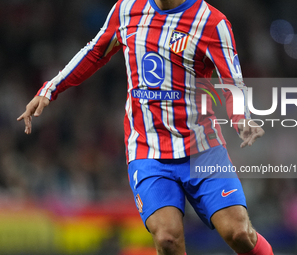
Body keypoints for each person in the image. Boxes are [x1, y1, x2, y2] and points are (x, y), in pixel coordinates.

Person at [18, 0, 273, 254]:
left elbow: (233, 79)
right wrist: (50, 88)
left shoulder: (212, 21)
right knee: (167, 239)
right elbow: (94, 51)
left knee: (239, 233)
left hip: (202, 148)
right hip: (148, 149)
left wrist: (241, 117)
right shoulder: (126, 9)